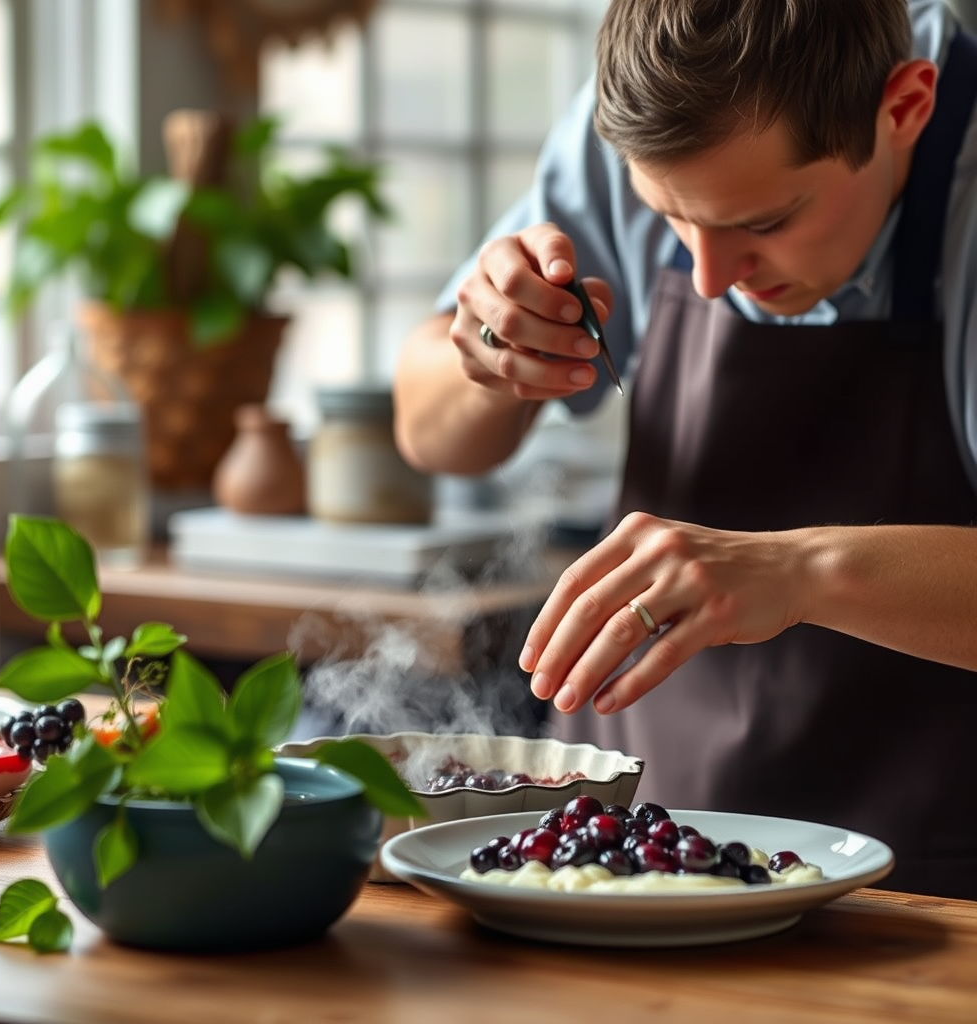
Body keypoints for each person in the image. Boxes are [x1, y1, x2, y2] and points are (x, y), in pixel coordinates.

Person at [391, 0, 977, 901]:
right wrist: (489, 352)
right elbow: (429, 434)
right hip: (629, 849)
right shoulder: (643, 121)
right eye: (666, 216)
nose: (707, 279)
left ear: (904, 108)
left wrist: (802, 571)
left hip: (921, 890)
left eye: (767, 222)